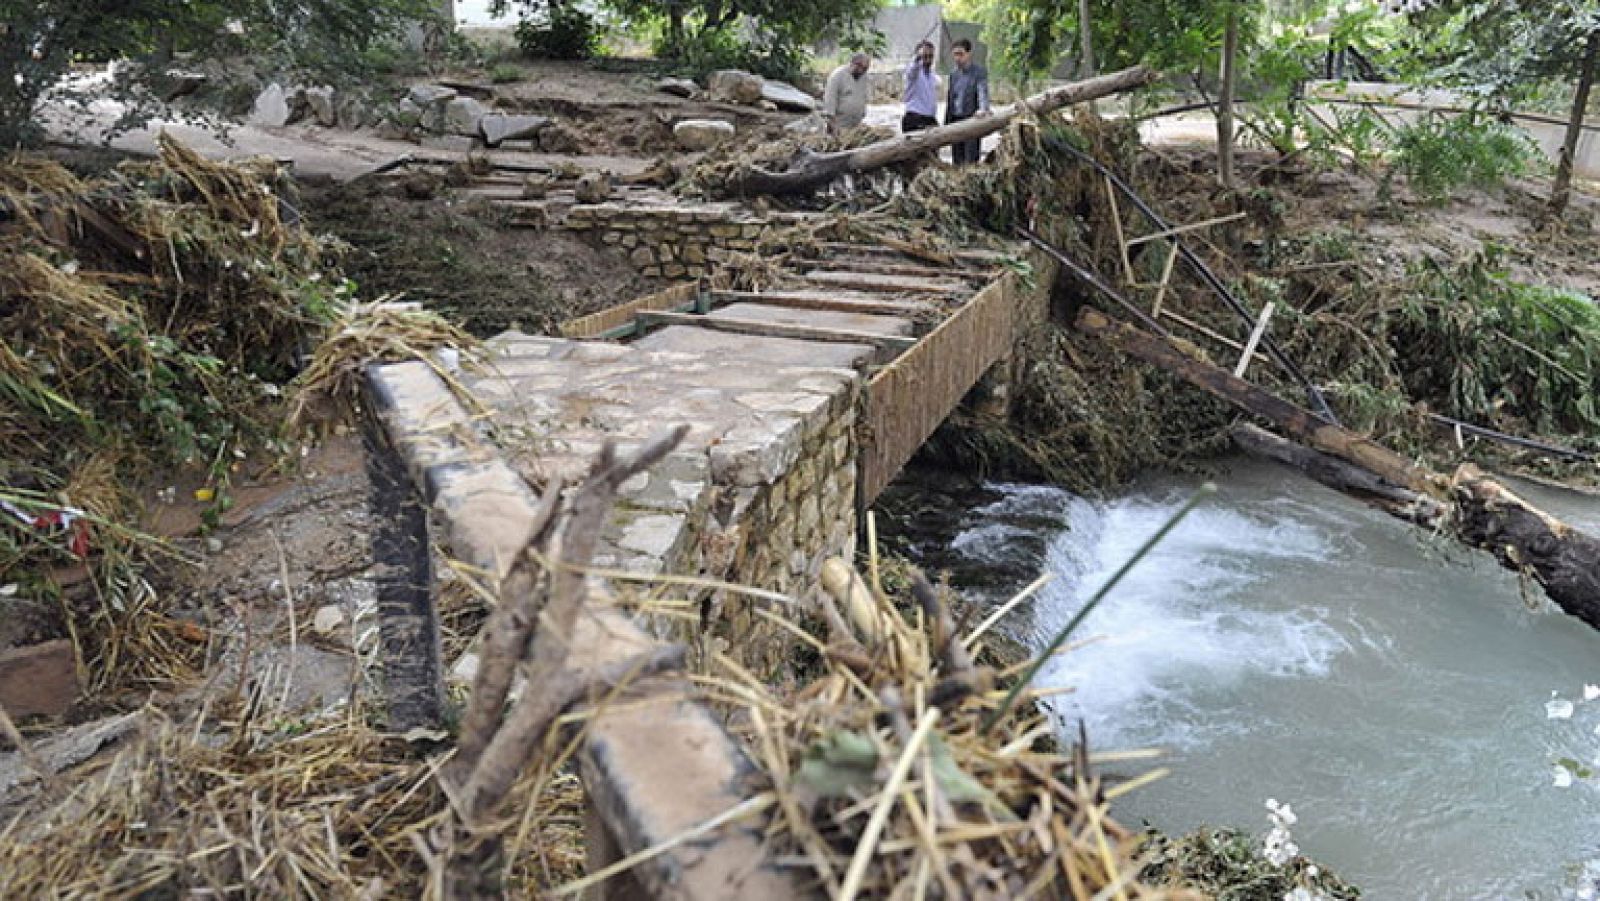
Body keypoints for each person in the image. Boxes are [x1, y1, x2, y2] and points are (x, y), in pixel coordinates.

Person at [944, 39, 990, 165]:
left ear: (969, 54)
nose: (957, 58)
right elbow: (950, 98)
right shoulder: (953, 74)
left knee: (971, 160)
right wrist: (946, 123)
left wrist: (983, 109)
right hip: (955, 120)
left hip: (971, 120)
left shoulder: (979, 72)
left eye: (960, 54)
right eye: (955, 54)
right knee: (957, 160)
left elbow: (982, 92)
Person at [822, 53, 872, 134]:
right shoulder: (837, 75)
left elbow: (864, 96)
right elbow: (829, 100)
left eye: (865, 68)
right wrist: (832, 124)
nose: (861, 71)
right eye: (859, 66)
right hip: (839, 124)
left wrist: (863, 113)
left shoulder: (864, 77)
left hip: (856, 124)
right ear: (852, 63)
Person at [901, 40, 940, 134]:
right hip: (915, 118)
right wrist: (918, 57)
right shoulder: (913, 72)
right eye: (925, 56)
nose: (928, 59)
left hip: (929, 118)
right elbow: (912, 70)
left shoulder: (932, 75)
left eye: (931, 56)